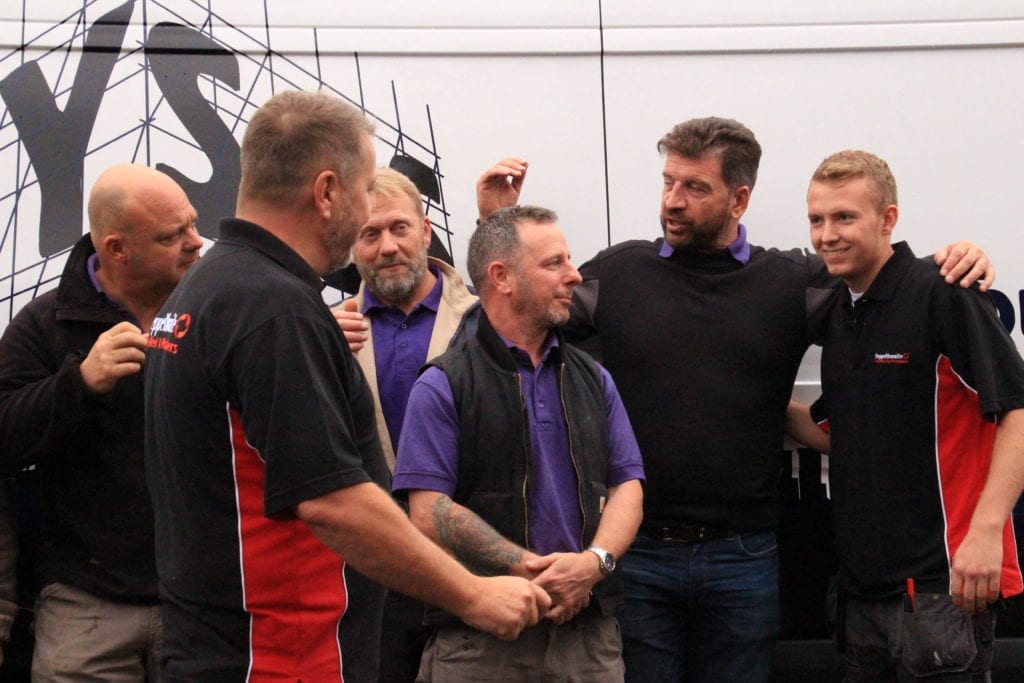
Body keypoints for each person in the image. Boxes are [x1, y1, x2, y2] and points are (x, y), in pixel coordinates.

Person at [476, 119, 994, 682]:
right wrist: (493, 227)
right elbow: (515, 315)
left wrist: (952, 262)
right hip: (638, 554)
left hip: (743, 559)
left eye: (695, 187)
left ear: (739, 199)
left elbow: (884, 281)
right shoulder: (619, 273)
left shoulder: (794, 282)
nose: (673, 201)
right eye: (668, 182)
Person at [143, 90, 549, 682]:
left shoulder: (207, 286)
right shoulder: (273, 308)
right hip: (279, 654)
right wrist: (473, 594)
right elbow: (332, 499)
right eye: (363, 191)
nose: (366, 216)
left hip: (224, 641)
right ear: (327, 192)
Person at [785, 150, 1024, 681]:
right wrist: (739, 399)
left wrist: (986, 532)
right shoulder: (842, 312)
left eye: (845, 217)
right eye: (817, 220)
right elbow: (834, 434)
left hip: (942, 591)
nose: (827, 235)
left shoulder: (942, 291)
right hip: (861, 596)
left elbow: (1018, 411)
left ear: (887, 218)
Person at [393, 205, 646, 682]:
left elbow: (628, 487)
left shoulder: (595, 379)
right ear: (502, 277)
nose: (574, 275)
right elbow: (428, 512)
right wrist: (537, 574)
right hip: (481, 641)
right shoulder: (443, 384)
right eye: (554, 263)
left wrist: (593, 565)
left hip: (587, 641)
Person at [0, 163, 202, 680]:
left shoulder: (221, 309)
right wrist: (79, 383)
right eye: (171, 236)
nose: (196, 242)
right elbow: (5, 434)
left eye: (193, 223)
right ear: (116, 248)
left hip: (205, 596)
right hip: (87, 604)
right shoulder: (46, 323)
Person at [330, 165, 490, 682]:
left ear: (425, 231)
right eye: (369, 234)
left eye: (399, 228)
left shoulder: (484, 321)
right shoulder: (323, 328)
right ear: (352, 247)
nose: (387, 247)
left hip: (467, 562)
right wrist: (315, 347)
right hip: (370, 569)